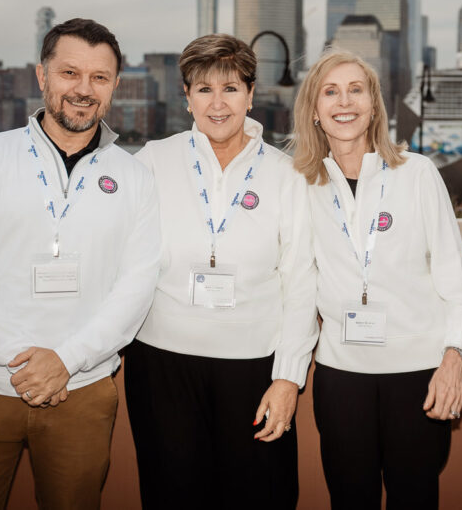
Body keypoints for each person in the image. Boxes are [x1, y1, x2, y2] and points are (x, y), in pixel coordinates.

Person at [0, 18, 161, 509]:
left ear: (115, 85)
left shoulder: (135, 177)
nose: (83, 89)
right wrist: (24, 361)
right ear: (42, 76)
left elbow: (137, 285)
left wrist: (66, 361)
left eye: (99, 77)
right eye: (69, 73)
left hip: (83, 390)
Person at [124, 33, 317, 509]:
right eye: (204, 88)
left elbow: (302, 282)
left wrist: (288, 377)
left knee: (260, 496)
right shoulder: (151, 161)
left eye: (230, 88)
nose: (218, 102)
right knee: (171, 496)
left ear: (251, 95)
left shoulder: (287, 174)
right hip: (161, 366)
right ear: (186, 97)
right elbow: (120, 257)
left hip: (254, 370)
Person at [291, 48, 462, 510]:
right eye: (330, 92)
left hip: (417, 377)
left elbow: (458, 289)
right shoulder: (300, 184)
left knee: (415, 499)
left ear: (374, 105)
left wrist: (453, 362)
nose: (345, 102)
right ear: (314, 111)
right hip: (341, 379)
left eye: (357, 90)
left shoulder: (417, 175)